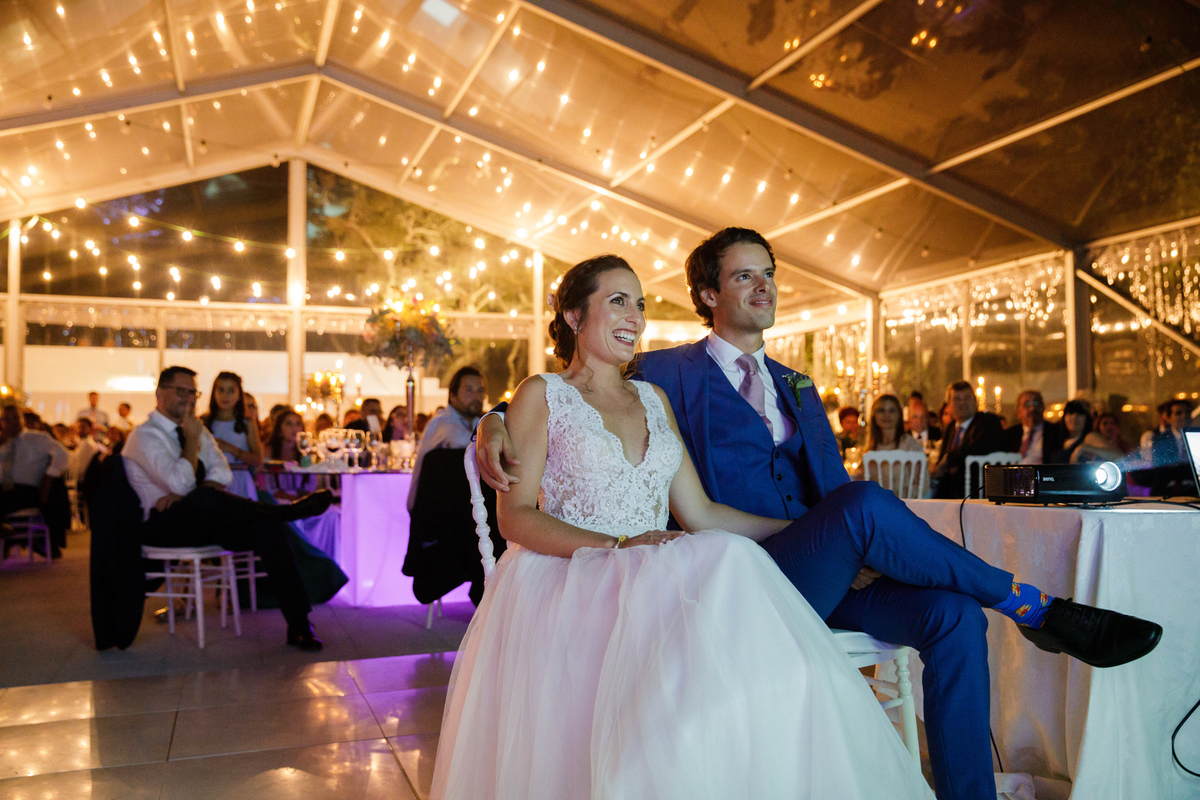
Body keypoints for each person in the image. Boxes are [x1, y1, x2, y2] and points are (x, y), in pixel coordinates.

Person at [476, 232, 1162, 800]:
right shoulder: (667, 372)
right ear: (709, 296)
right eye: (744, 277)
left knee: (953, 615)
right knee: (864, 506)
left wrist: (851, 542)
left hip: (824, 563)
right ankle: (1036, 608)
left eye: (769, 275)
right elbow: (575, 390)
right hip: (742, 578)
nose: (764, 287)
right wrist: (489, 421)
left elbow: (829, 488)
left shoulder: (797, 383)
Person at [433, 255, 935, 800]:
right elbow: (516, 518)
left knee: (732, 571)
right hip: (571, 577)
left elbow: (702, 514)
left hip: (653, 566)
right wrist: (617, 544)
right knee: (720, 593)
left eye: (641, 303)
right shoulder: (542, 393)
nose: (636, 316)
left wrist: (809, 529)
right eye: (618, 301)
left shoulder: (654, 398)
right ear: (575, 317)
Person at [122, 366, 334, 651]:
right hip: (159, 526)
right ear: (160, 393)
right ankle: (284, 512)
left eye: (192, 392)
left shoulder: (196, 427)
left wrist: (196, 488)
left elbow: (223, 473)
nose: (188, 398)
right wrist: (194, 442)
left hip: (203, 520)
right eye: (180, 391)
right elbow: (179, 482)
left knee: (265, 526)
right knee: (199, 498)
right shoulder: (146, 436)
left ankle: (299, 624)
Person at [259, 409, 340, 559]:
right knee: (293, 514)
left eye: (298, 424)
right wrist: (294, 501)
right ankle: (298, 558)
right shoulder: (268, 451)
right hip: (277, 500)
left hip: (300, 500)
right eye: (289, 424)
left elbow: (309, 484)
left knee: (332, 513)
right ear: (279, 429)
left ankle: (327, 559)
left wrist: (304, 498)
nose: (294, 429)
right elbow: (267, 486)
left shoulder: (304, 452)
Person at [407, 367, 486, 511]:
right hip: (431, 512)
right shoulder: (441, 422)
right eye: (469, 390)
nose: (476, 396)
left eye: (480, 391)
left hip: (461, 509)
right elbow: (460, 441)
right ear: (453, 396)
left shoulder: (477, 423)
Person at [0, 403, 70, 557]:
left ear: (22, 420)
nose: (11, 422)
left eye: (15, 418)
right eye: (6, 419)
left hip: (26, 491)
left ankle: (7, 535)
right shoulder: (2, 441)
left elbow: (63, 455)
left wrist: (48, 477)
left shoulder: (37, 438)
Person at [931, 381, 1005, 499]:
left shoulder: (987, 422)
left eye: (967, 398)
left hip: (977, 490)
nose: (962, 403)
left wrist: (949, 459)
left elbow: (977, 448)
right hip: (948, 492)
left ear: (975, 401)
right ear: (948, 405)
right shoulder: (950, 428)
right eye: (956, 399)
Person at [202, 371, 263, 500]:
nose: (225, 396)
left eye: (231, 391)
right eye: (221, 390)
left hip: (240, 479)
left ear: (239, 395)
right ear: (214, 393)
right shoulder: (204, 422)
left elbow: (258, 460)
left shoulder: (247, 423)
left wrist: (230, 448)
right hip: (212, 479)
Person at [1001, 390, 1064, 465]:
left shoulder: (1056, 432)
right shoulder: (1009, 435)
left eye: (1036, 403)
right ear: (1018, 412)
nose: (1032, 408)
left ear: (1043, 407)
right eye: (1027, 404)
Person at [1050, 399, 1092, 464]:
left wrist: (1083, 448)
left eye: (1080, 413)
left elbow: (1113, 455)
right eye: (1070, 413)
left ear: (1087, 418)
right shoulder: (1057, 439)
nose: (1075, 417)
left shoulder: (1090, 437)